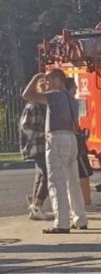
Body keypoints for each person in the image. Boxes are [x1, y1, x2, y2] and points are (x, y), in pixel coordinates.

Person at [22, 70, 88, 234]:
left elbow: (27, 95)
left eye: (49, 80)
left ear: (58, 80)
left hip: (57, 139)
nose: (48, 83)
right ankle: (80, 219)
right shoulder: (71, 99)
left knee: (56, 182)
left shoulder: (55, 95)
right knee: (73, 182)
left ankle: (61, 223)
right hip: (72, 139)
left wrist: (35, 78)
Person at [19, 88, 50, 221]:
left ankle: (35, 206)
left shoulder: (44, 106)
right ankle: (37, 205)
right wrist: (43, 134)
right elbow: (25, 127)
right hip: (36, 146)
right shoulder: (32, 106)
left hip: (43, 145)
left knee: (40, 175)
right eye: (43, 86)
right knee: (48, 174)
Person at [66, 79, 94, 206]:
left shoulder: (58, 102)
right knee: (83, 172)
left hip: (67, 142)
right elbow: (75, 124)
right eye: (74, 88)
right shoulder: (70, 102)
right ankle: (86, 203)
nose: (76, 90)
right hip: (74, 142)